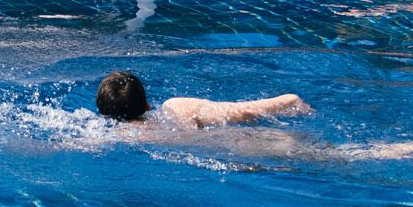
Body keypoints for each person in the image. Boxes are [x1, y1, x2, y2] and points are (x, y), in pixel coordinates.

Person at [94, 69, 311, 129]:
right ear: (146, 103)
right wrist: (290, 100)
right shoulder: (178, 108)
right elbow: (246, 111)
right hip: (253, 142)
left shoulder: (125, 136)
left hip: (237, 160)